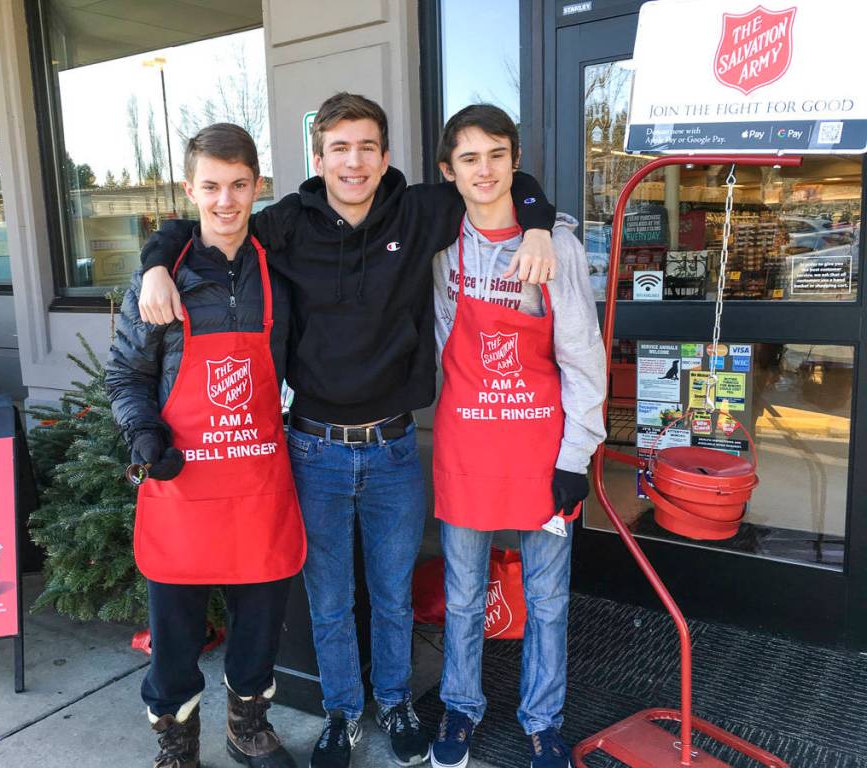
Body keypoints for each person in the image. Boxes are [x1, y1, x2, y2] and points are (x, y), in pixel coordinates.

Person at [135, 93, 557, 768]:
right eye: (340, 148)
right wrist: (155, 263)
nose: (354, 161)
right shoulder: (287, 224)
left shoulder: (419, 212)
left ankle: (393, 702)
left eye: (367, 147)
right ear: (319, 157)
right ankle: (340, 713)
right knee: (329, 601)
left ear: (385, 156)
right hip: (313, 450)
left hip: (392, 447)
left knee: (391, 597)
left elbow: (504, 180)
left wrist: (537, 226)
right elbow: (206, 224)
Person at [106, 123, 305, 768]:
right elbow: (127, 375)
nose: (226, 201)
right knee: (174, 637)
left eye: (239, 186)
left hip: (257, 486)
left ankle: (248, 725)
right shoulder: (159, 282)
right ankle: (176, 741)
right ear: (190, 189)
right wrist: (143, 435)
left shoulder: (280, 274)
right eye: (211, 186)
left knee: (259, 621)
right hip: (183, 487)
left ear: (257, 187)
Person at [426, 105, 606, 768]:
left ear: (515, 159)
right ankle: (461, 710)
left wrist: (576, 456)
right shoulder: (441, 242)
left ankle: (542, 720)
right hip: (467, 447)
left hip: (541, 451)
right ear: (450, 170)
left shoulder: (554, 243)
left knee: (548, 599)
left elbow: (584, 355)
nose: (484, 169)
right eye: (469, 158)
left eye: (496, 154)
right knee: (465, 595)